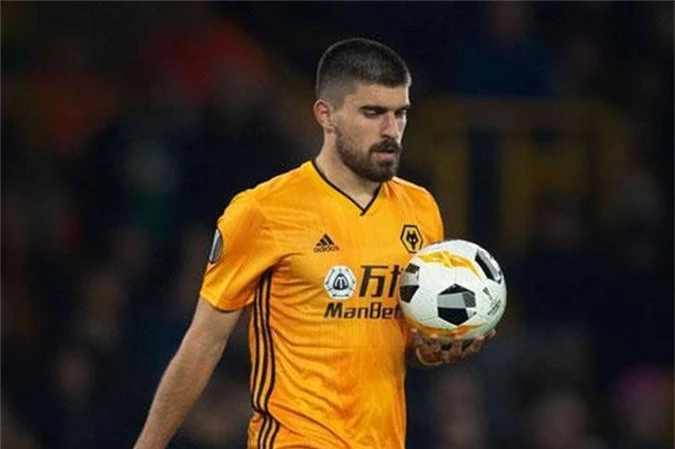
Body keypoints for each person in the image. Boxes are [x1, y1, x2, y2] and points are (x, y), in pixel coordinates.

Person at [133, 37, 494, 449]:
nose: (391, 131)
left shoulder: (420, 209)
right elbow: (204, 341)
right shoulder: (264, 210)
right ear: (326, 115)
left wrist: (431, 348)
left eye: (400, 113)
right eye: (373, 113)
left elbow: (393, 337)